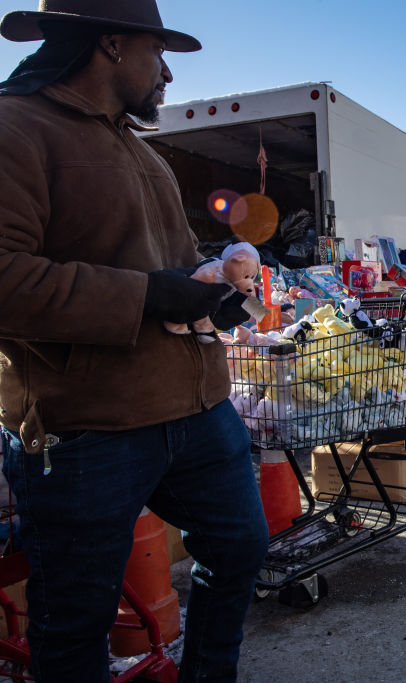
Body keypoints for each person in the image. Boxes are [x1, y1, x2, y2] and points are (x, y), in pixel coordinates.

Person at [0, 2, 268, 681]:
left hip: (196, 409)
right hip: (87, 426)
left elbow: (171, 270)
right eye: (159, 50)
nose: (169, 72)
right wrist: (149, 295)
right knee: (74, 623)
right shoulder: (15, 128)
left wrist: (218, 292)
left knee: (238, 548)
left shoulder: (142, 152)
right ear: (112, 44)